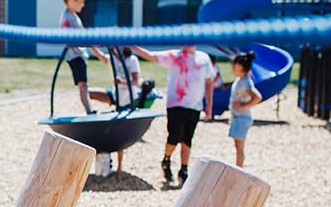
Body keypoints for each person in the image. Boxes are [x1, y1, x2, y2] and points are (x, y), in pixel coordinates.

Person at [132, 45, 217, 186]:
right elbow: (152, 56)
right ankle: (167, 159)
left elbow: (209, 82)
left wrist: (209, 105)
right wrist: (133, 46)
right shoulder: (175, 56)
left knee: (187, 138)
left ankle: (184, 169)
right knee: (174, 136)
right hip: (176, 104)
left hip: (194, 106)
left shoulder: (204, 58)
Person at [88, 47, 153, 173]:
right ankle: (91, 114)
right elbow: (99, 55)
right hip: (115, 94)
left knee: (120, 130)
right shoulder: (112, 59)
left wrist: (122, 81)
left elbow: (136, 81)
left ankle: (120, 165)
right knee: (90, 93)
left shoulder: (132, 60)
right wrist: (91, 44)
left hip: (128, 98)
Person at [59, 0, 107, 114]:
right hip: (75, 56)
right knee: (83, 84)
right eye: (81, 2)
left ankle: (89, 109)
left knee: (84, 84)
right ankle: (89, 110)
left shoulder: (74, 17)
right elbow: (72, 38)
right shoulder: (67, 18)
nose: (83, 5)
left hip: (79, 54)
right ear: (71, 1)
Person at [227, 51, 262, 168]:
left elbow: (257, 97)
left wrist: (243, 106)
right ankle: (238, 168)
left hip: (242, 118)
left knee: (240, 148)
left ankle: (239, 169)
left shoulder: (245, 82)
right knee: (238, 146)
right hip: (238, 117)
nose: (231, 67)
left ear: (239, 66)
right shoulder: (240, 80)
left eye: (233, 65)